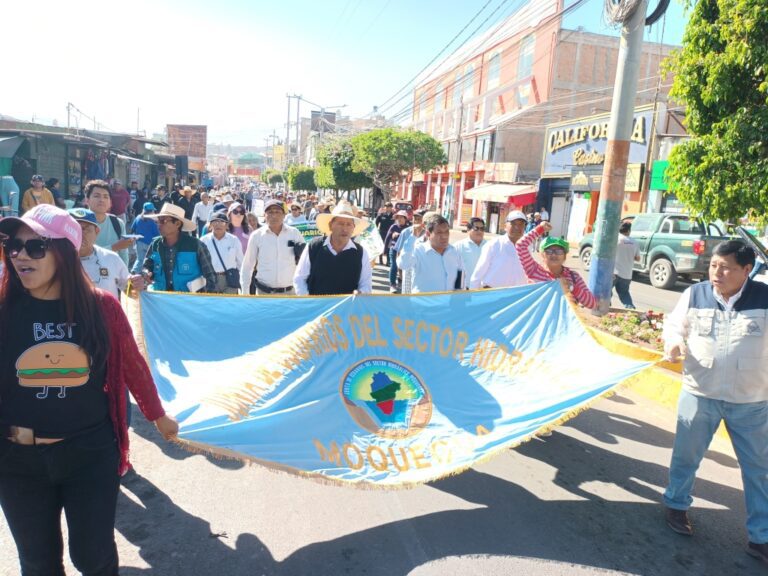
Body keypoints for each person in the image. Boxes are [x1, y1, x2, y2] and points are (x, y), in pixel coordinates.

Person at [0, 204, 178, 576]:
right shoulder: (3, 307)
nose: (19, 256)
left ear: (64, 253)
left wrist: (158, 416)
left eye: (35, 247)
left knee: (94, 558)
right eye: (13, 245)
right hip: (17, 461)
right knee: (38, 563)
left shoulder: (102, 308)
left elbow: (133, 366)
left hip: (90, 455)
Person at [661, 240, 768, 565]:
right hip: (699, 393)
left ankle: (761, 537)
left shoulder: (764, 298)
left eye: (725, 268)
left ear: (746, 270)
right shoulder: (695, 294)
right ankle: (677, 506)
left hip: (751, 401)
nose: (716, 273)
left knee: (759, 471)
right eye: (713, 265)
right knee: (686, 456)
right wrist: (674, 343)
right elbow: (674, 325)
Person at [294, 201, 373, 296]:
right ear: (330, 225)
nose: (345, 229)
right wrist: (307, 300)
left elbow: (366, 284)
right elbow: (299, 278)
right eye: (340, 223)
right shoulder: (314, 246)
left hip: (346, 308)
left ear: (353, 228)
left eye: (349, 224)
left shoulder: (361, 252)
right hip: (317, 307)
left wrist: (361, 292)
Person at [517, 221, 596, 308]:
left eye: (559, 251)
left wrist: (571, 288)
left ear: (565, 256)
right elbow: (521, 246)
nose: (554, 255)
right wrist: (540, 229)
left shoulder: (574, 277)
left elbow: (591, 304)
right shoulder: (533, 270)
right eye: (549, 251)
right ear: (542, 255)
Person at [139, 203, 217, 293]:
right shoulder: (155, 244)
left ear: (177, 224)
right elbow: (147, 266)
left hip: (188, 301)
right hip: (161, 299)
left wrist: (208, 300)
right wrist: (146, 273)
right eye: (158, 221)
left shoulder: (196, 245)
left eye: (163, 221)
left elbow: (210, 276)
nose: (159, 225)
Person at [69, 207, 140, 299]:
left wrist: (136, 284)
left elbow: (129, 290)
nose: (80, 234)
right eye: (74, 228)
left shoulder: (111, 258)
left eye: (85, 229)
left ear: (96, 232)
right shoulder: (55, 261)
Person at [241, 199, 304, 295]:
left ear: (284, 215)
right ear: (264, 215)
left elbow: (304, 263)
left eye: (277, 212)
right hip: (264, 293)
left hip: (289, 293)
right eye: (270, 212)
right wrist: (245, 292)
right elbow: (248, 266)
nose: (274, 215)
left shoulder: (294, 233)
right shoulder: (257, 236)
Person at [397, 215, 464, 293]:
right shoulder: (418, 250)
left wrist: (458, 293)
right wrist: (413, 237)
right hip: (423, 303)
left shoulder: (454, 252)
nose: (444, 236)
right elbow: (403, 264)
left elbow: (461, 272)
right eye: (439, 232)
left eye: (446, 232)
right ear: (428, 234)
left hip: (449, 303)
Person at [470, 210, 528, 289]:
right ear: (505, 226)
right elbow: (477, 275)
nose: (517, 227)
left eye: (521, 224)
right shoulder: (493, 245)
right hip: (493, 295)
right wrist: (473, 297)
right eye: (513, 223)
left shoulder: (527, 247)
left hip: (517, 296)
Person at [84, 179, 134, 266]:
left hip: (113, 277)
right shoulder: (79, 224)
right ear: (87, 200)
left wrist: (125, 277)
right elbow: (82, 256)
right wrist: (114, 247)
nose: (102, 200)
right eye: (97, 196)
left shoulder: (117, 223)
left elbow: (123, 255)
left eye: (105, 197)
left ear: (110, 203)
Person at [200, 211, 244, 294]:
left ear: (227, 225)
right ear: (210, 225)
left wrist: (240, 280)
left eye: (222, 222)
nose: (218, 225)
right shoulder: (203, 241)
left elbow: (240, 262)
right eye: (215, 222)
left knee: (228, 305)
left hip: (229, 280)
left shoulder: (234, 240)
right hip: (209, 279)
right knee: (212, 305)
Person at [393, 208, 427, 294]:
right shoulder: (406, 232)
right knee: (407, 294)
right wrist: (400, 272)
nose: (416, 221)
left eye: (419, 219)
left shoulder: (427, 234)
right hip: (408, 268)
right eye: (415, 219)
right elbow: (399, 252)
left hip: (421, 269)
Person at [613, 221, 641, 309]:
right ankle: (631, 310)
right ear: (628, 230)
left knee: (605, 291)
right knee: (624, 294)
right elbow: (638, 258)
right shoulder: (634, 242)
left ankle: (605, 309)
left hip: (614, 272)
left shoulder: (615, 239)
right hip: (627, 274)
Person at [453, 217, 488, 286]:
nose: (479, 231)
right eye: (476, 228)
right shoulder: (459, 246)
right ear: (468, 229)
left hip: (484, 290)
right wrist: (458, 288)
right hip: (466, 289)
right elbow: (454, 269)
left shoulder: (489, 246)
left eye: (482, 229)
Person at [383, 210, 410, 293]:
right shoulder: (393, 227)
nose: (399, 219)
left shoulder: (409, 228)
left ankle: (401, 282)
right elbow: (387, 238)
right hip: (394, 249)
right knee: (394, 266)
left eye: (401, 217)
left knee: (403, 267)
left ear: (405, 219)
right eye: (398, 218)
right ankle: (392, 284)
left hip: (405, 251)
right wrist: (385, 250)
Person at [130, 202, 160, 269]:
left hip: (139, 243)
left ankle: (134, 272)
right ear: (152, 211)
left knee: (139, 260)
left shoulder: (138, 217)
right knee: (150, 261)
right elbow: (157, 234)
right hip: (149, 244)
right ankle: (145, 276)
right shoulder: (154, 221)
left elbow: (132, 229)